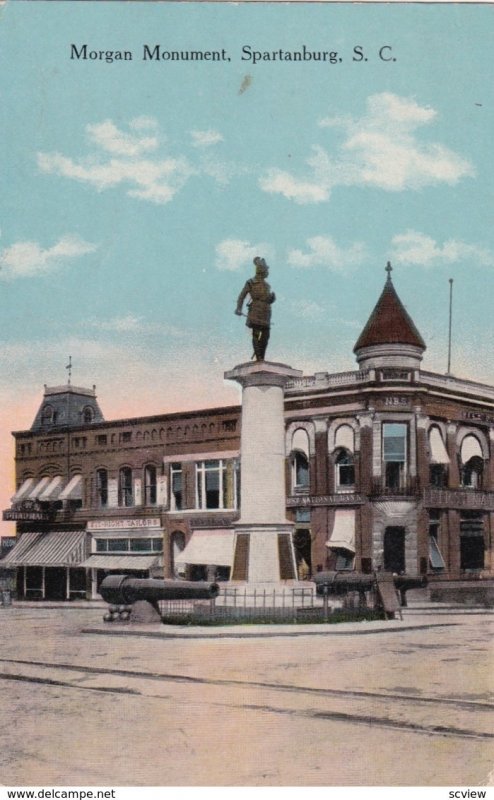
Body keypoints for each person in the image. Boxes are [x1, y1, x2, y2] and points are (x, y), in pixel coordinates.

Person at [235, 257, 276, 360]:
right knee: (256, 334)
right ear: (261, 270)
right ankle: (259, 358)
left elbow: (267, 299)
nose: (267, 272)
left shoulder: (267, 285)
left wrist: (271, 299)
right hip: (256, 311)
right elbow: (242, 296)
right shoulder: (251, 282)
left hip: (266, 312)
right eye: (266, 269)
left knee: (266, 336)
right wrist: (238, 308)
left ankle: (262, 357)